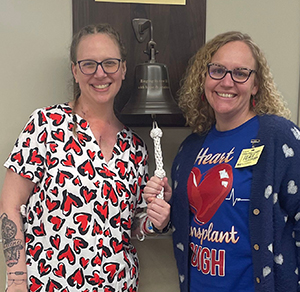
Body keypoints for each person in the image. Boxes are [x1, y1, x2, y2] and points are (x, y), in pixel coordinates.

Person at [0, 23, 162, 292]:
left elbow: (131, 225)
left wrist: (155, 219)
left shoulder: (135, 148)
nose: (100, 74)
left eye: (109, 63)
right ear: (75, 71)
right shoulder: (46, 125)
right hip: (50, 285)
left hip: (119, 285)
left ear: (122, 69)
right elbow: (10, 204)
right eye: (89, 64)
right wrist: (16, 281)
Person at [144, 31, 300, 292]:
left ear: (255, 85)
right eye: (217, 70)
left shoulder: (278, 136)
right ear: (204, 78)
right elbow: (194, 222)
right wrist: (169, 208)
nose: (227, 82)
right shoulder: (190, 149)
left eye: (240, 73)